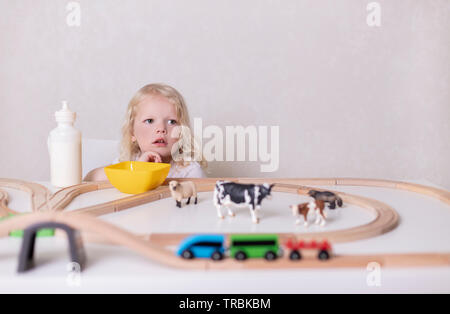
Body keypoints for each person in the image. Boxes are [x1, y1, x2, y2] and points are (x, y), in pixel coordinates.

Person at [84, 83, 207, 181]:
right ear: (132, 133)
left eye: (171, 122)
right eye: (149, 121)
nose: (161, 129)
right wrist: (137, 169)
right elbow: (90, 179)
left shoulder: (189, 171)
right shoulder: (130, 162)